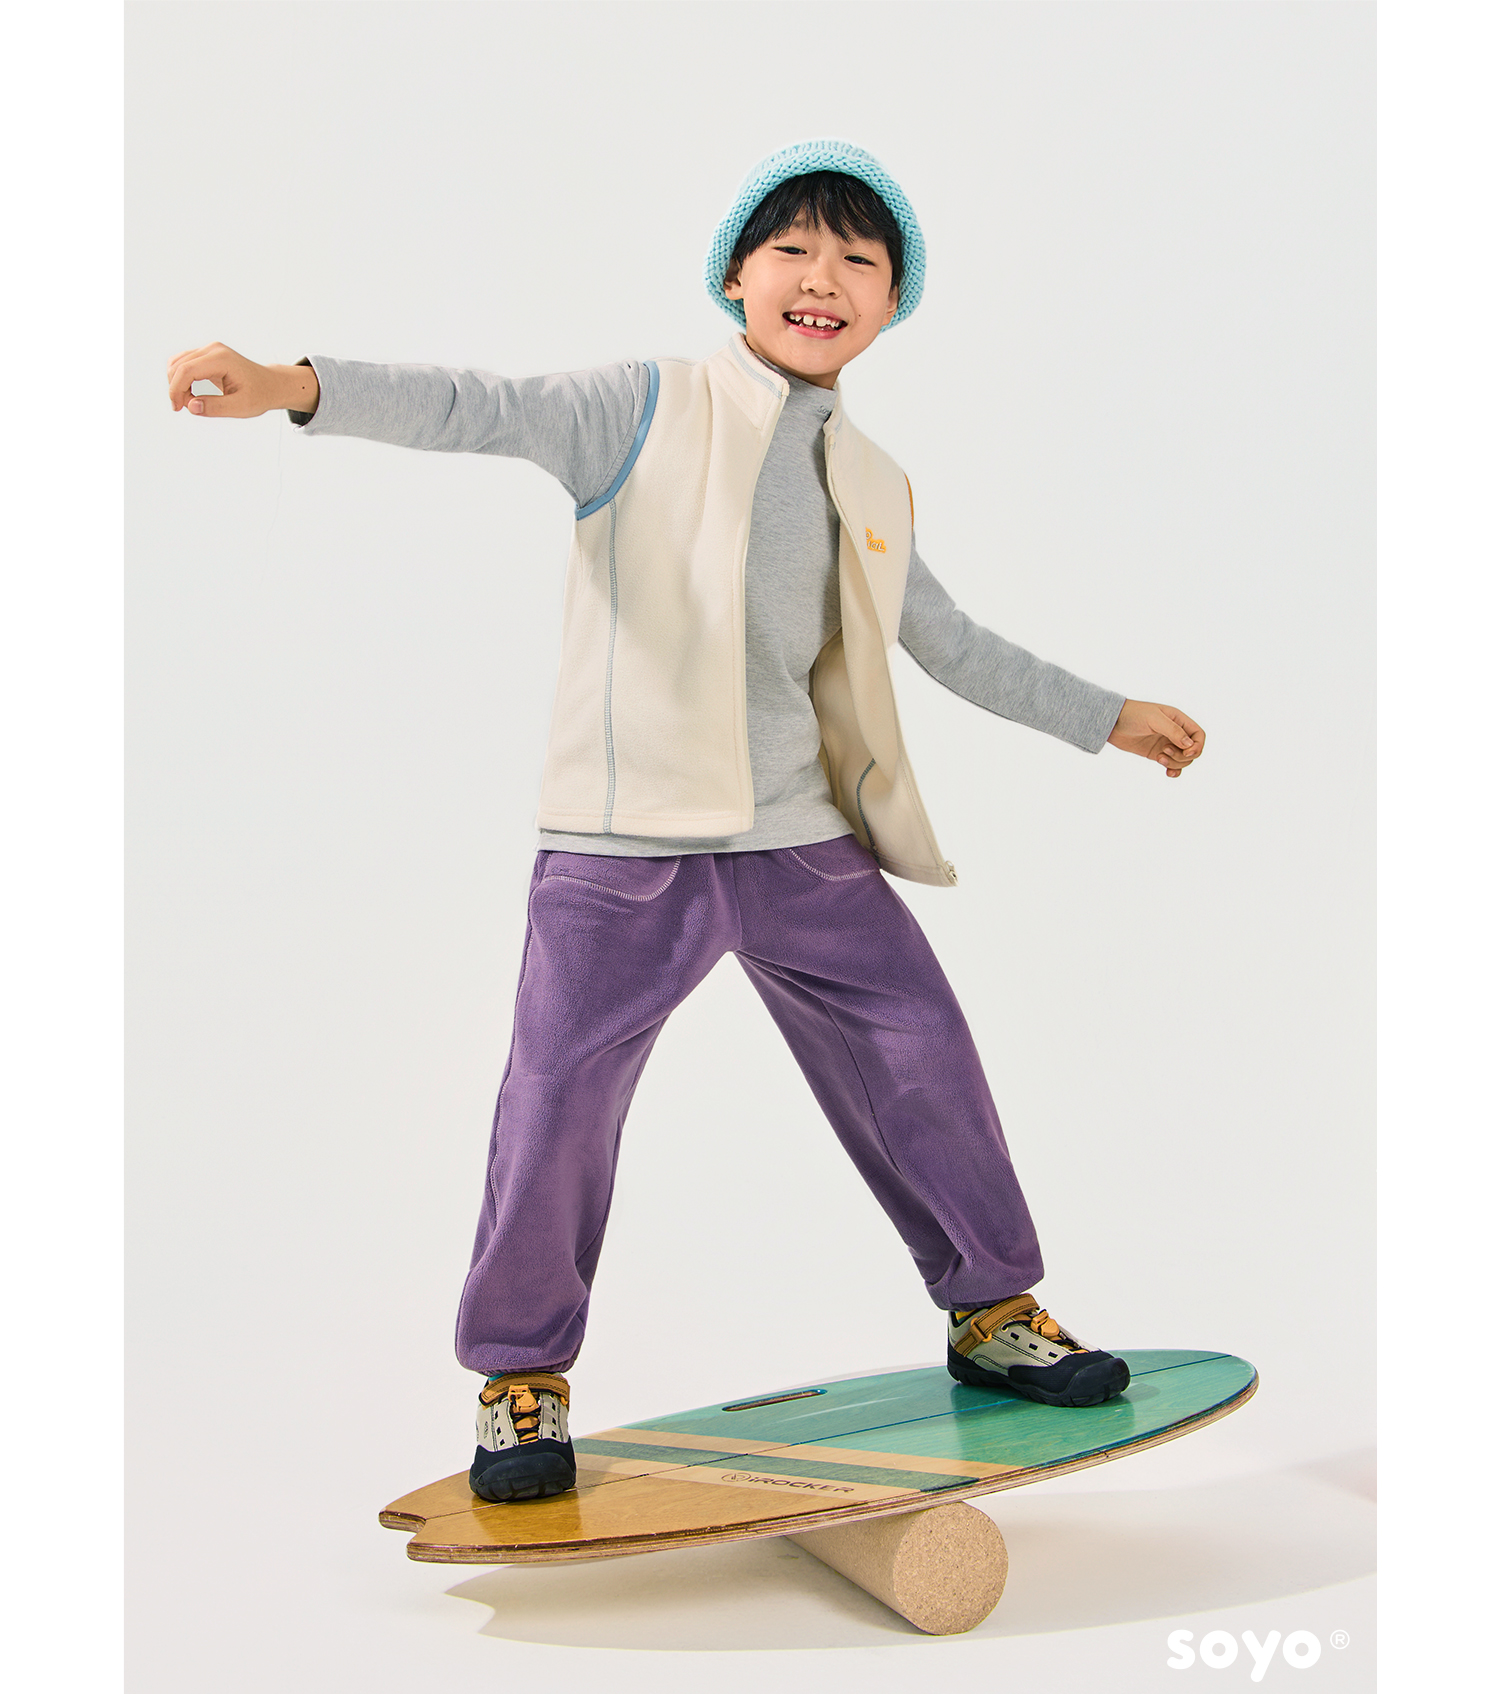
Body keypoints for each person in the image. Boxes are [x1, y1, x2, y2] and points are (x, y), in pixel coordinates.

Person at [166, 139, 1204, 1505]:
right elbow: (479, 406)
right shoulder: (641, 407)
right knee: (559, 1100)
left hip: (801, 845)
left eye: (859, 260)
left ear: (892, 304)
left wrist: (1105, 713)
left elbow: (946, 639)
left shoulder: (871, 477)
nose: (822, 278)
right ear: (734, 278)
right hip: (622, 851)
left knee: (920, 1052)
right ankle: (521, 1379)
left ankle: (992, 1309)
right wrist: (296, 385)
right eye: (793, 250)